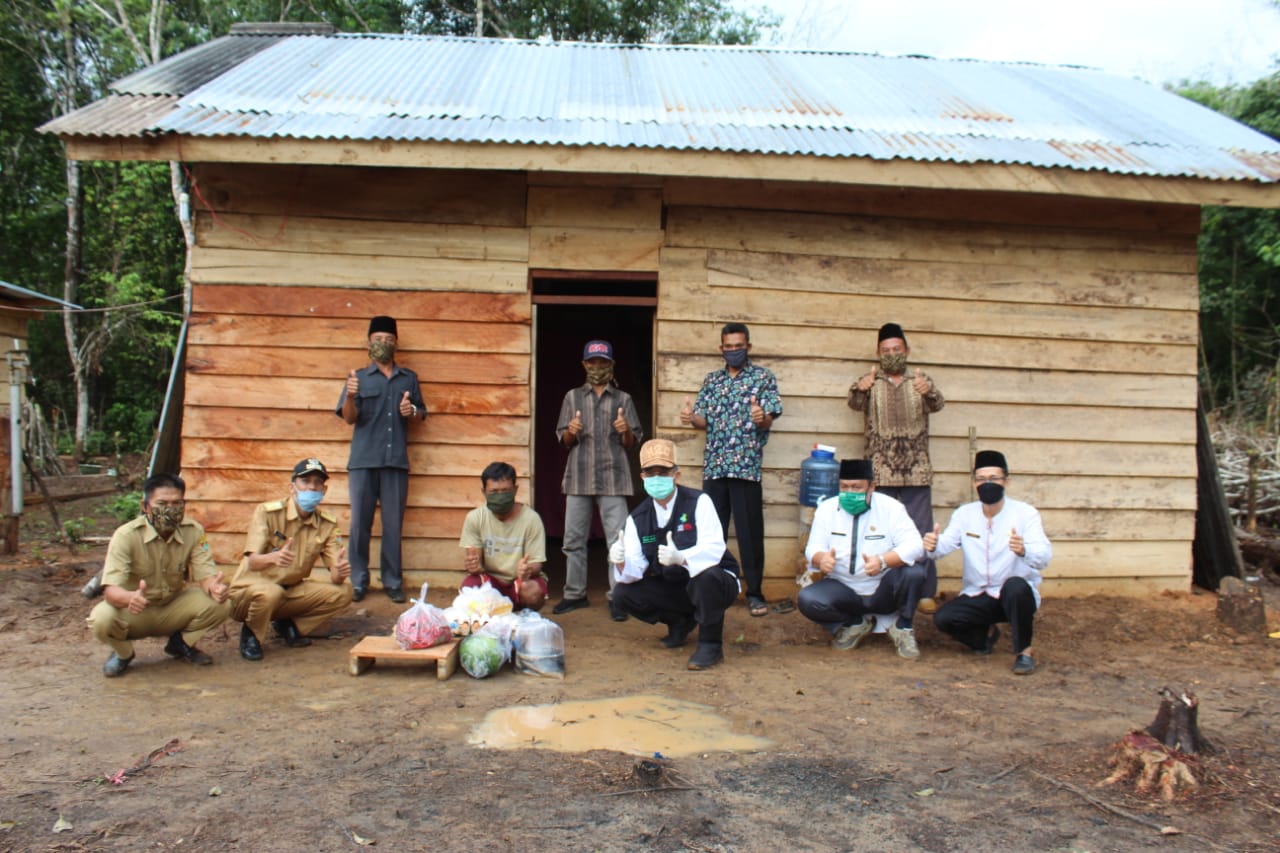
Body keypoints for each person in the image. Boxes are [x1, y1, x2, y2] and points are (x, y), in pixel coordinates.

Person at [610, 439, 741, 671]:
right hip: (674, 585)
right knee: (622, 593)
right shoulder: (637, 519)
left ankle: (710, 644)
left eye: (663, 471)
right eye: (650, 472)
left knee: (706, 576)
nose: (657, 478)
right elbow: (636, 569)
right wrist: (621, 561)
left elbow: (714, 549)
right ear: (642, 477)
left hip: (716, 583)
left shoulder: (699, 502)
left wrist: (683, 558)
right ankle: (679, 622)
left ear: (676, 475)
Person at [680, 322, 782, 618]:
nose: (734, 351)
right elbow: (703, 421)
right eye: (729, 346)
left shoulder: (763, 378)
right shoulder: (712, 380)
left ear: (748, 347)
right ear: (721, 348)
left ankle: (755, 593)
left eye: (739, 346)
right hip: (715, 467)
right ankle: (713, 590)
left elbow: (768, 419)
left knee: (750, 533)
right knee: (713, 532)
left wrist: (762, 417)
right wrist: (690, 418)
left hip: (746, 467)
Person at [87, 473, 231, 677]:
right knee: (101, 618)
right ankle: (123, 654)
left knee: (222, 604)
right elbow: (111, 591)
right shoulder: (126, 536)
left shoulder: (194, 531)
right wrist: (130, 598)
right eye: (162, 503)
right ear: (145, 506)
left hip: (172, 606)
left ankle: (181, 645)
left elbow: (205, 574)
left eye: (176, 503)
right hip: (135, 611)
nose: (170, 510)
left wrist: (214, 588)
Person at [925, 450, 1052, 675]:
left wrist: (1024, 550)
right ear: (974, 483)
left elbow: (1043, 556)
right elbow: (945, 546)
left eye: (993, 479)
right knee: (944, 619)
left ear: (1006, 481)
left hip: (1014, 596)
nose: (987, 484)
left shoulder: (1025, 514)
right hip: (979, 594)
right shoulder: (964, 514)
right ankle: (984, 638)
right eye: (981, 479)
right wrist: (933, 545)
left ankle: (1024, 652)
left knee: (1015, 586)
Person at [847, 322, 944, 604]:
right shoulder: (870, 383)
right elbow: (853, 403)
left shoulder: (920, 382)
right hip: (881, 470)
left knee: (922, 530)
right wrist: (860, 388)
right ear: (878, 353)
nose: (891, 354)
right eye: (885, 350)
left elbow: (938, 404)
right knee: (881, 530)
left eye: (896, 349)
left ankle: (924, 593)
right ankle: (883, 588)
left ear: (907, 351)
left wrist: (928, 391)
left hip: (917, 469)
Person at [336, 315, 427, 604]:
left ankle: (392, 581)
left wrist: (410, 410)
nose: (383, 344)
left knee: (392, 526)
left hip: (395, 462)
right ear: (368, 343)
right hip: (363, 461)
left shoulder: (408, 378)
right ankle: (358, 581)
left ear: (396, 343)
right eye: (378, 339)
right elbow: (349, 418)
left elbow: (421, 413)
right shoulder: (358, 379)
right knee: (359, 525)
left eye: (388, 340)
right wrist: (350, 397)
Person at [798, 459, 926, 659]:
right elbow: (812, 547)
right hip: (844, 589)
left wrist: (883, 561)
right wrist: (821, 559)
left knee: (914, 573)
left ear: (872, 487)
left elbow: (915, 546)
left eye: (857, 487)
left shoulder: (891, 508)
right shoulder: (827, 509)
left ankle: (903, 627)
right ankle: (854, 623)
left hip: (883, 589)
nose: (850, 492)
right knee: (808, 599)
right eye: (844, 487)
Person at [552, 339, 643, 620]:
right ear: (584, 364)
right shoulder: (572, 398)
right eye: (592, 362)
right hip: (579, 476)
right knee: (573, 540)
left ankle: (618, 597)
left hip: (613, 476)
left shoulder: (623, 399)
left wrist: (625, 429)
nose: (597, 367)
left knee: (617, 541)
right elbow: (564, 440)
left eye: (603, 363)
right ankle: (574, 594)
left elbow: (632, 442)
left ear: (611, 365)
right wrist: (572, 430)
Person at [228, 458, 354, 662]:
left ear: (324, 490)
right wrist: (273, 557)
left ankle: (288, 625)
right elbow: (252, 562)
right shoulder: (267, 513)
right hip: (249, 592)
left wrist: (339, 571)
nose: (312, 487)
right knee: (270, 592)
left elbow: (335, 573)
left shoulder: (327, 524)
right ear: (292, 486)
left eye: (317, 483)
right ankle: (251, 633)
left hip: (289, 590)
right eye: (305, 482)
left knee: (344, 591)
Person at [459, 461, 548, 611]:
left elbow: (536, 564)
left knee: (532, 591)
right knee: (469, 587)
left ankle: (524, 615)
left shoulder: (531, 519)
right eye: (494, 492)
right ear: (483, 491)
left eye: (505, 491)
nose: (500, 497)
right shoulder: (475, 518)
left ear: (515, 489)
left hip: (519, 581)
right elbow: (475, 562)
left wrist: (527, 570)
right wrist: (474, 566)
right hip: (490, 583)